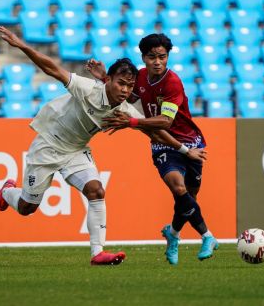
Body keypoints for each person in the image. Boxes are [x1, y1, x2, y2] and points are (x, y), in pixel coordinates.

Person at [0, 26, 151, 265]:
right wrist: (23, 45)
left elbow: (153, 129)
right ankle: (7, 191)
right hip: (48, 145)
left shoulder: (123, 110)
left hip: (76, 151)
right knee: (27, 208)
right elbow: (53, 69)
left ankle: (97, 252)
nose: (125, 90)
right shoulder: (86, 88)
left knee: (96, 191)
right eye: (121, 83)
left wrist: (184, 148)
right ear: (108, 79)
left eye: (130, 87)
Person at [87, 33, 217, 265]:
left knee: (188, 199)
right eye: (151, 57)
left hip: (190, 140)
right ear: (144, 57)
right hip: (160, 141)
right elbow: (129, 93)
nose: (157, 62)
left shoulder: (172, 82)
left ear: (167, 58)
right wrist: (105, 78)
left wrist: (132, 122)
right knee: (178, 188)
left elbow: (166, 121)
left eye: (162, 57)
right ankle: (207, 236)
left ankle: (173, 235)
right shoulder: (141, 77)